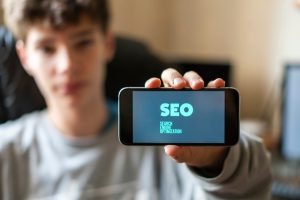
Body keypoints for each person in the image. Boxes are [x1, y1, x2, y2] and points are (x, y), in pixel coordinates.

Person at [0, 0, 271, 199]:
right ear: (24, 57)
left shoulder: (166, 144)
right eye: (47, 48)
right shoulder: (6, 152)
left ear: (108, 44)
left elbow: (252, 187)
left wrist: (217, 161)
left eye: (82, 43)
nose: (67, 65)